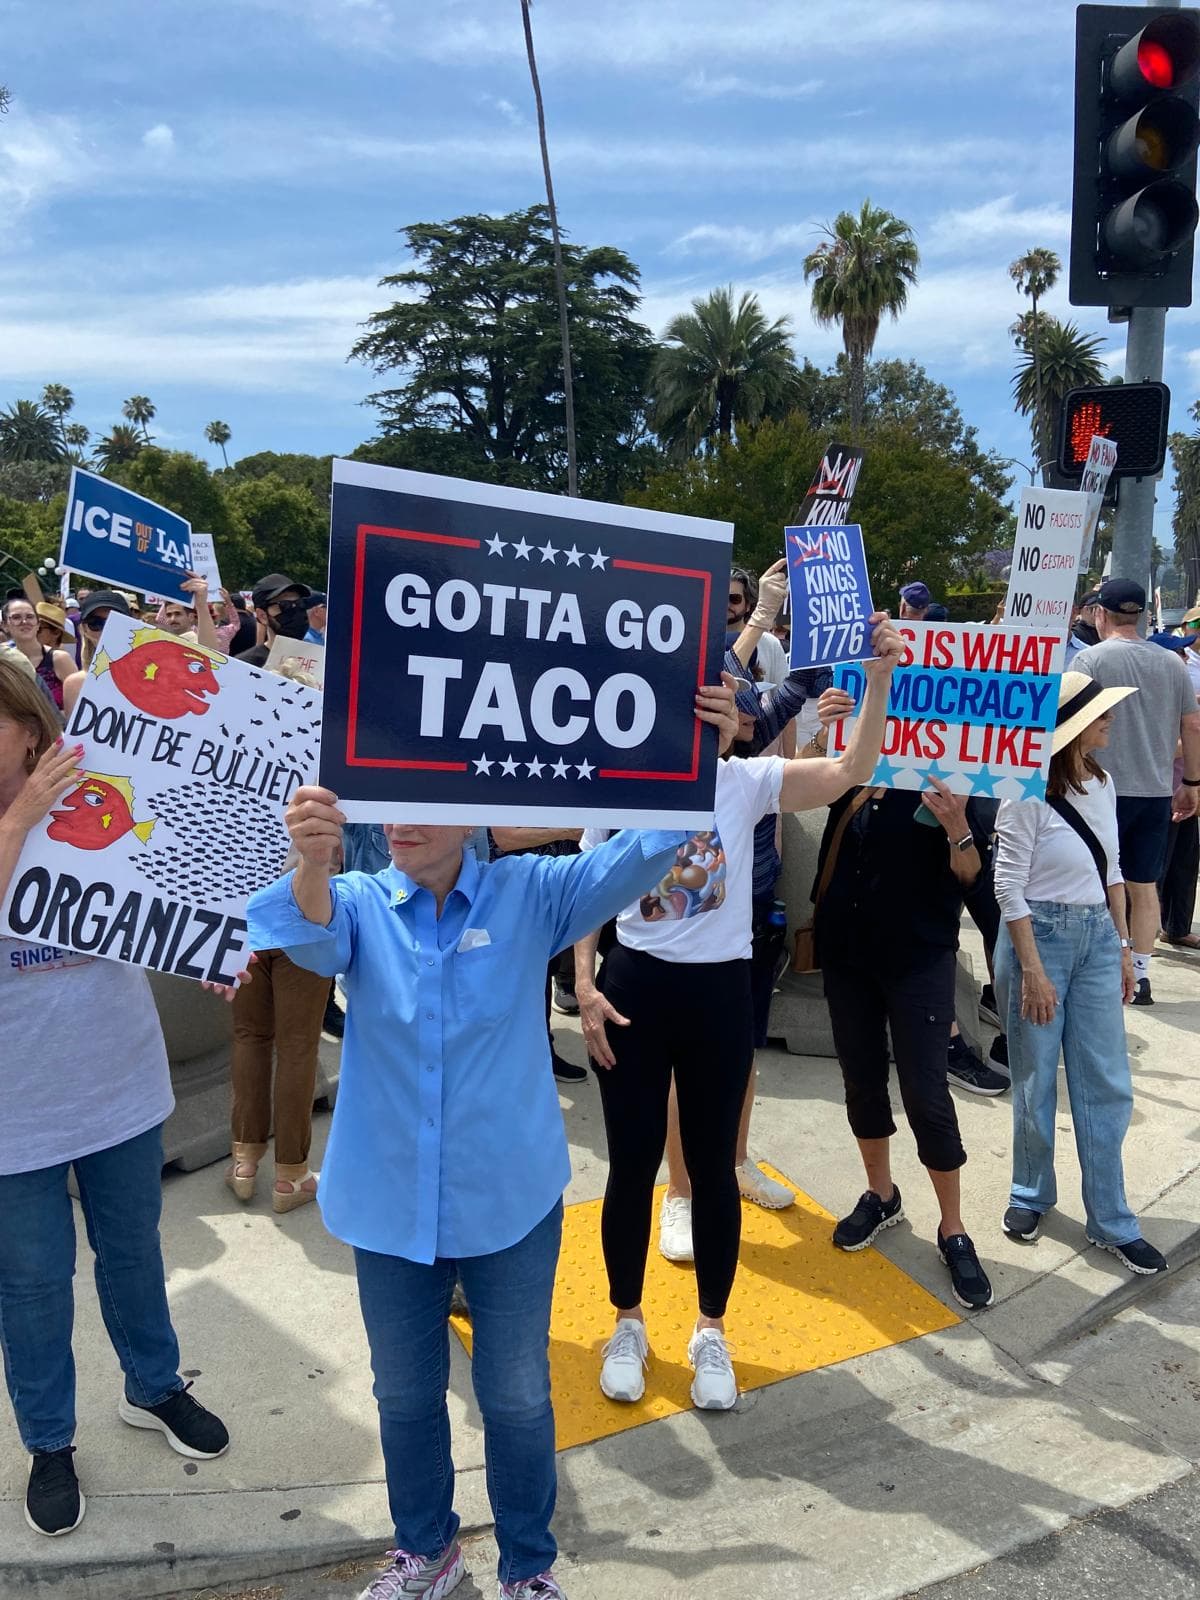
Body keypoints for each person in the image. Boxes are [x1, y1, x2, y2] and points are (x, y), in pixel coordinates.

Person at [244, 677, 738, 1600]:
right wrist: (309, 861)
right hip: (389, 1206)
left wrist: (693, 756)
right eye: (388, 802)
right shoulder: (357, 901)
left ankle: (527, 1569)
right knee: (404, 1396)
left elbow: (644, 853)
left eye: (424, 803)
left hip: (507, 1203)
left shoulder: (530, 894)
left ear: (475, 809)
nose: (400, 822)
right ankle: (426, 1553)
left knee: (515, 1395)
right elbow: (308, 940)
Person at [575, 615, 906, 1413]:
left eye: (718, 703)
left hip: (719, 992)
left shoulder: (748, 781)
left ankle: (711, 1331)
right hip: (632, 989)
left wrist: (880, 678)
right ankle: (628, 1323)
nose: (704, 715)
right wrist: (583, 984)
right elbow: (586, 889)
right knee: (631, 1167)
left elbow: (853, 767)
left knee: (716, 1167)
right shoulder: (620, 782)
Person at [0, 656, 230, 1537]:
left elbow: (172, 880)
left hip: (118, 1081)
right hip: (17, 1107)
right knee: (32, 1284)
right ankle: (49, 1442)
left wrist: (206, 945)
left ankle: (154, 1386)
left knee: (132, 1252)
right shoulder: (25, 808)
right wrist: (20, 818)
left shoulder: (104, 782)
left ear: (30, 729)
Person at [812, 699, 996, 1310]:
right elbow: (794, 787)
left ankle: (953, 1228)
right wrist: (825, 733)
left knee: (926, 1093)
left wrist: (957, 825)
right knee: (862, 1081)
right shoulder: (854, 762)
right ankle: (881, 1194)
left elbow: (972, 878)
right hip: (848, 952)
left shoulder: (960, 775)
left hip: (919, 956)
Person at [993, 672, 1168, 1275]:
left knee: (1106, 1080)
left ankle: (1112, 1219)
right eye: (1100, 714)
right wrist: (1033, 970)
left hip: (1095, 936)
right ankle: (1029, 1194)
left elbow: (1112, 869)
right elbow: (1007, 888)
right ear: (1071, 728)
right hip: (1037, 938)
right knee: (1036, 1075)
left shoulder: (1103, 781)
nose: (1112, 720)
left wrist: (1122, 947)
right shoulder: (1024, 791)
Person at [1074, 578, 1200, 1004]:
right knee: (1143, 884)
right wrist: (1192, 782)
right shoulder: (1173, 663)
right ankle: (1141, 975)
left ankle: (1101, 967)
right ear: (1141, 615)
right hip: (1155, 790)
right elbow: (1192, 725)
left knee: (1095, 882)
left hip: (1098, 788)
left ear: (1100, 614)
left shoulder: (1089, 660)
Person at [1, 596, 73, 713]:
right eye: (16, 617)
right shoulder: (3, 661)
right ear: (5, 625)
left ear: (38, 624)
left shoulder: (59, 659)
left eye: (30, 617)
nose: (24, 622)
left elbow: (79, 704)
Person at [727, 565, 788, 688]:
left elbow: (781, 691)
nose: (726, 604)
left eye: (734, 598)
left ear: (748, 605)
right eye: (719, 597)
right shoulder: (700, 643)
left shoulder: (769, 643)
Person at [236, 572, 313, 667]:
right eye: (285, 605)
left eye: (300, 603)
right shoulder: (244, 666)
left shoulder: (322, 661)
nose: (296, 611)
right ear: (262, 616)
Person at [1063, 588, 1102, 666]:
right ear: (1079, 611)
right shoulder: (1077, 633)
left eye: (1102, 610)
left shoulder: (1104, 633)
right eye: (1093, 609)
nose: (1097, 613)